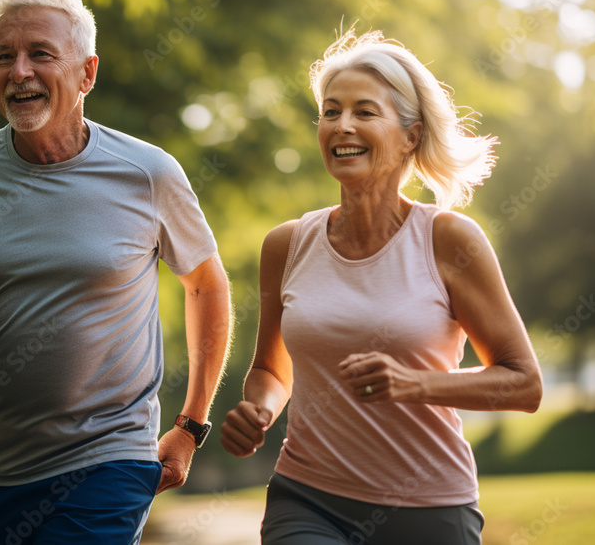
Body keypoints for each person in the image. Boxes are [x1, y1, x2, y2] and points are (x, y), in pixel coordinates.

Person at [0, 0, 232, 545]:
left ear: (87, 73)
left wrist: (191, 426)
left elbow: (206, 287)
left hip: (109, 458)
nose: (18, 72)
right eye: (4, 58)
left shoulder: (149, 173)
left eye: (40, 54)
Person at [220, 30, 542, 544]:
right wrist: (259, 409)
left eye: (365, 112)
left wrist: (414, 384)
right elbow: (269, 369)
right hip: (307, 497)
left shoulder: (449, 241)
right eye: (330, 111)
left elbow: (524, 384)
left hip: (429, 508)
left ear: (410, 136)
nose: (342, 125)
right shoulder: (286, 245)